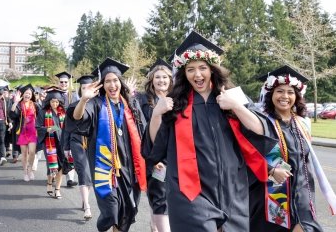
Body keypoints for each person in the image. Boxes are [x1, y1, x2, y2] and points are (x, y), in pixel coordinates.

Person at [148, 31, 276, 232]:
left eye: (202, 68)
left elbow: (261, 131)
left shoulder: (233, 97)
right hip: (189, 193)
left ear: (212, 69)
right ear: (184, 73)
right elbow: (156, 145)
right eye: (190, 69)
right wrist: (156, 114)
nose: (197, 74)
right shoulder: (176, 105)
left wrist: (236, 106)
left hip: (233, 191)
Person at [249, 65, 333, 232]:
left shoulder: (302, 123)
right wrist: (271, 170)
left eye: (290, 92)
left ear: (297, 96)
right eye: (280, 91)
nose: (285, 96)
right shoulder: (263, 122)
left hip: (302, 193)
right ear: (271, 93)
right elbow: (250, 153)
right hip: (272, 195)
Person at [67, 58, 147, 232]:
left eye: (115, 80)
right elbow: (78, 118)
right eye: (108, 81)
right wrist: (83, 101)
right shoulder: (96, 104)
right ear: (102, 84)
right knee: (112, 211)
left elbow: (143, 132)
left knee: (127, 212)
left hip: (129, 168)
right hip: (105, 169)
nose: (112, 85)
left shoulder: (131, 105)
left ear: (121, 82)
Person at [137, 58, 173, 232]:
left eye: (165, 77)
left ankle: (157, 224)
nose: (161, 81)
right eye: (158, 77)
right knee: (158, 192)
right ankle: (156, 225)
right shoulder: (143, 100)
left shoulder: (176, 99)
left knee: (170, 194)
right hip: (153, 154)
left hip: (172, 152)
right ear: (152, 80)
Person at [64, 75, 95, 219]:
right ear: (80, 90)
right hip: (77, 141)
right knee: (83, 171)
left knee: (90, 175)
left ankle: (85, 199)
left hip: (93, 143)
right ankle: (87, 206)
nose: (86, 90)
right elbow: (66, 129)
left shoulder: (98, 105)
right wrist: (66, 147)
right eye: (83, 88)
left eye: (89, 88)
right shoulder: (72, 106)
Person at [36, 87, 69, 198]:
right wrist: (48, 129)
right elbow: (38, 127)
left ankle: (58, 189)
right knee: (52, 165)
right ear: (48, 101)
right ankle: (49, 183)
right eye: (52, 101)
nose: (54, 103)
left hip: (62, 142)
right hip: (49, 142)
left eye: (56, 101)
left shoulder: (64, 112)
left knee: (61, 165)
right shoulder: (43, 112)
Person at [10, 84, 39, 181]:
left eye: (30, 94)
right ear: (22, 94)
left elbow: (42, 115)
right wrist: (15, 102)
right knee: (24, 153)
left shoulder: (35, 105)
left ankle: (30, 169)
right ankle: (25, 172)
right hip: (22, 132)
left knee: (32, 152)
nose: (28, 95)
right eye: (26, 93)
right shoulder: (19, 105)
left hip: (33, 132)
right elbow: (12, 114)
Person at [56, 71, 80, 187]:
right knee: (59, 153)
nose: (64, 84)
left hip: (70, 127)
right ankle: (56, 176)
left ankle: (70, 179)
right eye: (61, 82)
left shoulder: (74, 95)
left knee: (70, 152)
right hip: (57, 127)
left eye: (66, 82)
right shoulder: (54, 94)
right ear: (58, 83)